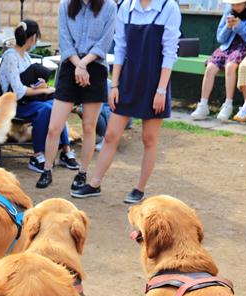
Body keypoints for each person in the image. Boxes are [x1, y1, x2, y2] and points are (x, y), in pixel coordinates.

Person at [71, 0, 181, 204]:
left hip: (155, 83)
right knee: (111, 134)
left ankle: (139, 189)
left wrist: (161, 90)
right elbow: (120, 48)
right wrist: (114, 86)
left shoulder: (169, 8)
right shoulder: (126, 8)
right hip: (128, 81)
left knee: (149, 139)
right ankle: (94, 183)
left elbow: (170, 53)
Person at [37, 0, 118, 190]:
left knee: (89, 128)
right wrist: (78, 65)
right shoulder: (66, 5)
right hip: (69, 67)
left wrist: (84, 64)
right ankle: (47, 169)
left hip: (96, 68)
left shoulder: (109, 7)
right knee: (54, 127)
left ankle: (82, 173)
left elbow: (105, 43)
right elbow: (64, 41)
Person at [0, 19, 79, 175]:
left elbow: (27, 84)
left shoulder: (25, 57)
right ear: (33, 37)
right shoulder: (11, 57)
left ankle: (65, 149)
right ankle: (37, 155)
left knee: (56, 106)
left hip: (27, 102)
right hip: (13, 104)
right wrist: (43, 91)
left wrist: (40, 85)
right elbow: (18, 91)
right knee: (45, 109)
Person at [191, 1, 246, 122]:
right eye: (233, 4)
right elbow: (220, 38)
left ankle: (228, 104)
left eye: (237, 4)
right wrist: (228, 27)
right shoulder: (228, 11)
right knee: (210, 67)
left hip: (244, 48)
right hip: (226, 47)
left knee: (230, 66)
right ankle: (203, 105)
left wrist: (240, 26)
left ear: (245, 3)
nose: (234, 7)